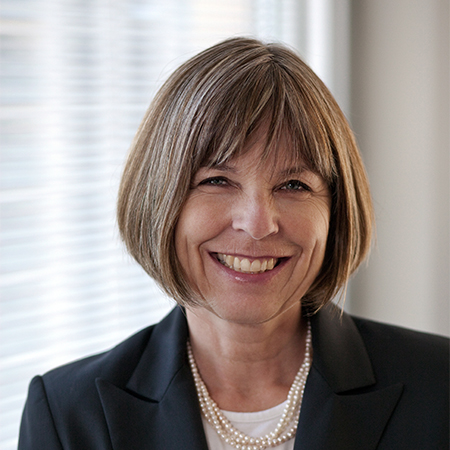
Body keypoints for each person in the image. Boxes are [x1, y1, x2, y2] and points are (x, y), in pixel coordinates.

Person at [19, 37, 448, 450]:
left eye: (294, 184)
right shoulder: (67, 415)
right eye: (217, 180)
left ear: (336, 211)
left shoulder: (439, 386)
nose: (257, 224)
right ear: (158, 199)